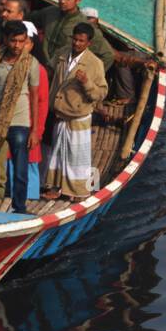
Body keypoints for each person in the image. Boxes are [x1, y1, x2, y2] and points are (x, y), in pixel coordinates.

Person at [0, 21, 41, 215]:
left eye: (21, 41)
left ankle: (19, 208)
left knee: (20, 169)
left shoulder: (31, 63)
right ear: (6, 40)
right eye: (13, 41)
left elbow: (34, 97)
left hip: (20, 122)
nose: (17, 45)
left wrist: (35, 130)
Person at [42, 25, 107, 201]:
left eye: (81, 41)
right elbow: (49, 71)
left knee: (77, 155)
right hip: (59, 111)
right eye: (75, 39)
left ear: (89, 43)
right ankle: (55, 187)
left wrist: (86, 83)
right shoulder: (62, 54)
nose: (76, 43)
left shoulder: (95, 63)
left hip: (79, 115)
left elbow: (101, 93)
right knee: (58, 151)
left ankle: (78, 192)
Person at [37, 0, 85, 67]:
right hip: (40, 67)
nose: (62, 1)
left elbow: (108, 54)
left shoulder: (83, 24)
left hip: (60, 74)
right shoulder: (49, 12)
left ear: (78, 0)